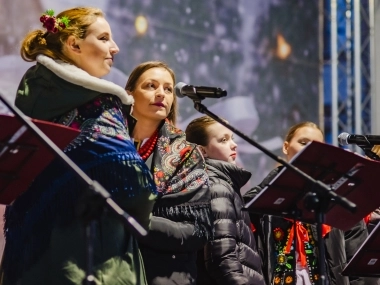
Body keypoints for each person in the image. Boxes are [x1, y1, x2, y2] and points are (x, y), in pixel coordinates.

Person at [0, 7, 157, 285]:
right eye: (104, 38)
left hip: (29, 262)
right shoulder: (99, 103)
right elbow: (134, 180)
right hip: (93, 260)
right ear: (74, 44)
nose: (115, 47)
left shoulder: (31, 102)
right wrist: (142, 221)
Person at [244, 121, 379, 285]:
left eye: (316, 146)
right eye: (303, 143)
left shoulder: (337, 200)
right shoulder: (260, 200)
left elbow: (357, 264)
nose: (309, 150)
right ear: (286, 147)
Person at [124, 61, 212, 285]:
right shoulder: (106, 139)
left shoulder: (186, 152)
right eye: (151, 86)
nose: (161, 94)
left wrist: (134, 220)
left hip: (165, 274)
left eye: (168, 89)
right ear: (129, 93)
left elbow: (197, 231)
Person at [185, 115, 265, 285]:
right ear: (202, 151)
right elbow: (221, 259)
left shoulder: (221, 183)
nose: (234, 144)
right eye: (223, 140)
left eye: (232, 138)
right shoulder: (216, 186)